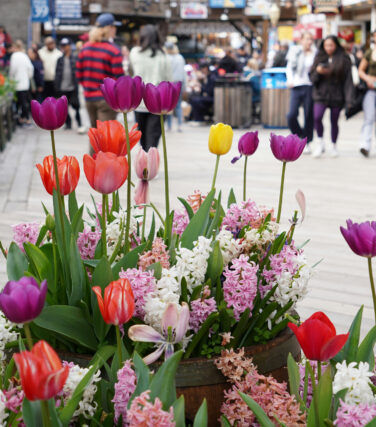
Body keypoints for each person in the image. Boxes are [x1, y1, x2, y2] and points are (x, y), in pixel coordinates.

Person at [76, 13, 123, 129]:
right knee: (106, 137)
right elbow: (120, 79)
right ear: (110, 29)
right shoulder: (114, 50)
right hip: (107, 99)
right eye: (114, 27)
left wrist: (89, 87)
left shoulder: (85, 48)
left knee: (95, 136)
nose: (116, 29)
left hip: (89, 98)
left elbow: (78, 75)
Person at [309, 35, 354, 158]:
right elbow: (312, 78)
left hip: (337, 95)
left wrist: (349, 99)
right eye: (326, 45)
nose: (328, 48)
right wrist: (318, 72)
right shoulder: (319, 57)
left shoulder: (344, 58)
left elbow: (348, 80)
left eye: (331, 45)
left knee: (334, 120)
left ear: (336, 45)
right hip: (320, 94)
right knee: (317, 117)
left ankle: (334, 145)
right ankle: (320, 142)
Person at [129, 24, 172, 151]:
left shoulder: (134, 53)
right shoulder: (163, 56)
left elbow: (131, 73)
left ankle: (144, 166)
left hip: (139, 102)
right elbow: (169, 81)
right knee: (153, 139)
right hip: (158, 103)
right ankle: (150, 167)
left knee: (142, 139)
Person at [286, 32, 316, 154]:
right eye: (307, 39)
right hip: (297, 85)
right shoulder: (295, 51)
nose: (309, 42)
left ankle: (306, 141)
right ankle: (299, 136)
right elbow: (289, 67)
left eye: (311, 39)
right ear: (301, 40)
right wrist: (290, 80)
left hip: (310, 86)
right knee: (291, 115)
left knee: (309, 114)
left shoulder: (315, 53)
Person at [55, 38, 85, 133]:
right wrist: (57, 86)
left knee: (76, 107)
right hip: (62, 87)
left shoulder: (75, 58)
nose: (65, 47)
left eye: (66, 45)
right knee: (64, 108)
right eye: (63, 46)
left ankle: (79, 124)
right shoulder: (60, 59)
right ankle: (68, 124)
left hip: (73, 88)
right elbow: (57, 73)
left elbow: (80, 72)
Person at [358, 31, 376, 157]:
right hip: (371, 90)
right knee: (369, 117)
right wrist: (368, 78)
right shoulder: (370, 52)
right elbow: (361, 70)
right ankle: (365, 145)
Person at [8, 40, 34, 127]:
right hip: (25, 83)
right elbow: (30, 68)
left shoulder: (14, 56)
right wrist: (28, 77)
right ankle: (25, 118)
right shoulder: (25, 56)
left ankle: (23, 119)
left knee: (19, 103)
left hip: (17, 83)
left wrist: (11, 80)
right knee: (24, 102)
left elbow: (12, 70)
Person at [165, 42, 186, 132]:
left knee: (169, 105)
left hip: (169, 83)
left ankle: (169, 126)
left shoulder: (166, 58)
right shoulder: (180, 58)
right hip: (179, 83)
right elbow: (183, 73)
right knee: (178, 104)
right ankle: (180, 125)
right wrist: (184, 85)